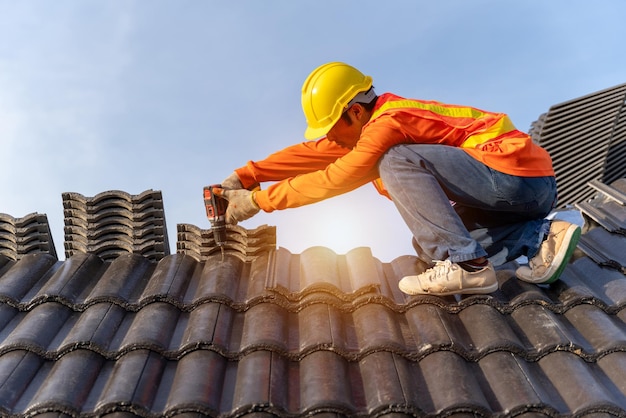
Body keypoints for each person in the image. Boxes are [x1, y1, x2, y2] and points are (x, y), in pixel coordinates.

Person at [212, 62, 581, 296]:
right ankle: (540, 238)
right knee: (430, 243)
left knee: (397, 162)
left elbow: (335, 177)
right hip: (519, 187)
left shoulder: (387, 127)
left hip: (513, 174)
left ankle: (469, 268)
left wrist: (259, 201)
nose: (328, 138)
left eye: (330, 128)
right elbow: (311, 153)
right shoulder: (367, 127)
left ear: (354, 113)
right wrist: (245, 176)